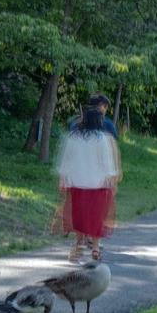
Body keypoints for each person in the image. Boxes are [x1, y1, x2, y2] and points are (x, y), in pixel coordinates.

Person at [56, 96, 122, 263]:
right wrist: (112, 180)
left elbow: (66, 160)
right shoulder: (103, 139)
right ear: (98, 121)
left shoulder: (73, 137)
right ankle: (94, 248)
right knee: (96, 217)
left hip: (77, 183)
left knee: (79, 215)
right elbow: (107, 163)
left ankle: (77, 245)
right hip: (98, 184)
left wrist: (63, 178)